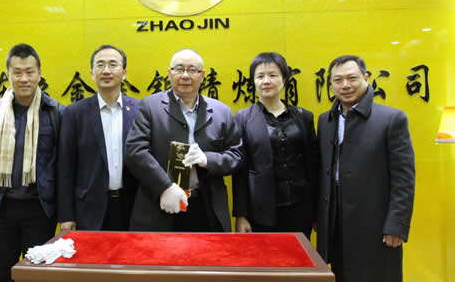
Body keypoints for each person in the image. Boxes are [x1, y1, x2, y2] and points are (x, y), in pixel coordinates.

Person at [317, 55, 415, 282]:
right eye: (338, 80)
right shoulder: (325, 120)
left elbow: (404, 178)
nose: (345, 85)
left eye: (352, 78)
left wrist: (397, 225)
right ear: (331, 85)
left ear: (366, 78)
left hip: (376, 224)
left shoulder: (391, 119)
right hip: (336, 225)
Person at [0, 43, 64, 282]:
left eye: (29, 72)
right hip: (0, 209)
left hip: (39, 210)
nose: (24, 78)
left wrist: (65, 213)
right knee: (1, 275)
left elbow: (63, 167)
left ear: (39, 74)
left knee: (37, 276)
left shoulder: (55, 112)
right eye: (17, 72)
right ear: (8, 75)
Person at [125, 49, 243, 232]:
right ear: (169, 73)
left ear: (202, 75)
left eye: (192, 70)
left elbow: (236, 155)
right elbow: (135, 151)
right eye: (179, 69)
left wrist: (208, 159)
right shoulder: (149, 106)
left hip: (205, 207)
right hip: (159, 204)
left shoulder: (222, 112)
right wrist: (165, 187)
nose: (185, 75)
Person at [233, 52, 319, 239]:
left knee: (299, 256)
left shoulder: (304, 117)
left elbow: (313, 166)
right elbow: (240, 170)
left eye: (272, 75)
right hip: (261, 211)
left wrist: (317, 210)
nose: (266, 81)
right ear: (253, 81)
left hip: (301, 208)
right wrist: (241, 215)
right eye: (260, 76)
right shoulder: (243, 118)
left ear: (284, 79)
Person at [58, 44, 139, 231]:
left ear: (124, 73)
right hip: (89, 209)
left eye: (113, 64)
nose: (106, 71)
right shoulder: (74, 113)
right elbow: (65, 168)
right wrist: (66, 215)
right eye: (100, 65)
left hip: (131, 206)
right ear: (92, 74)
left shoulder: (139, 110)